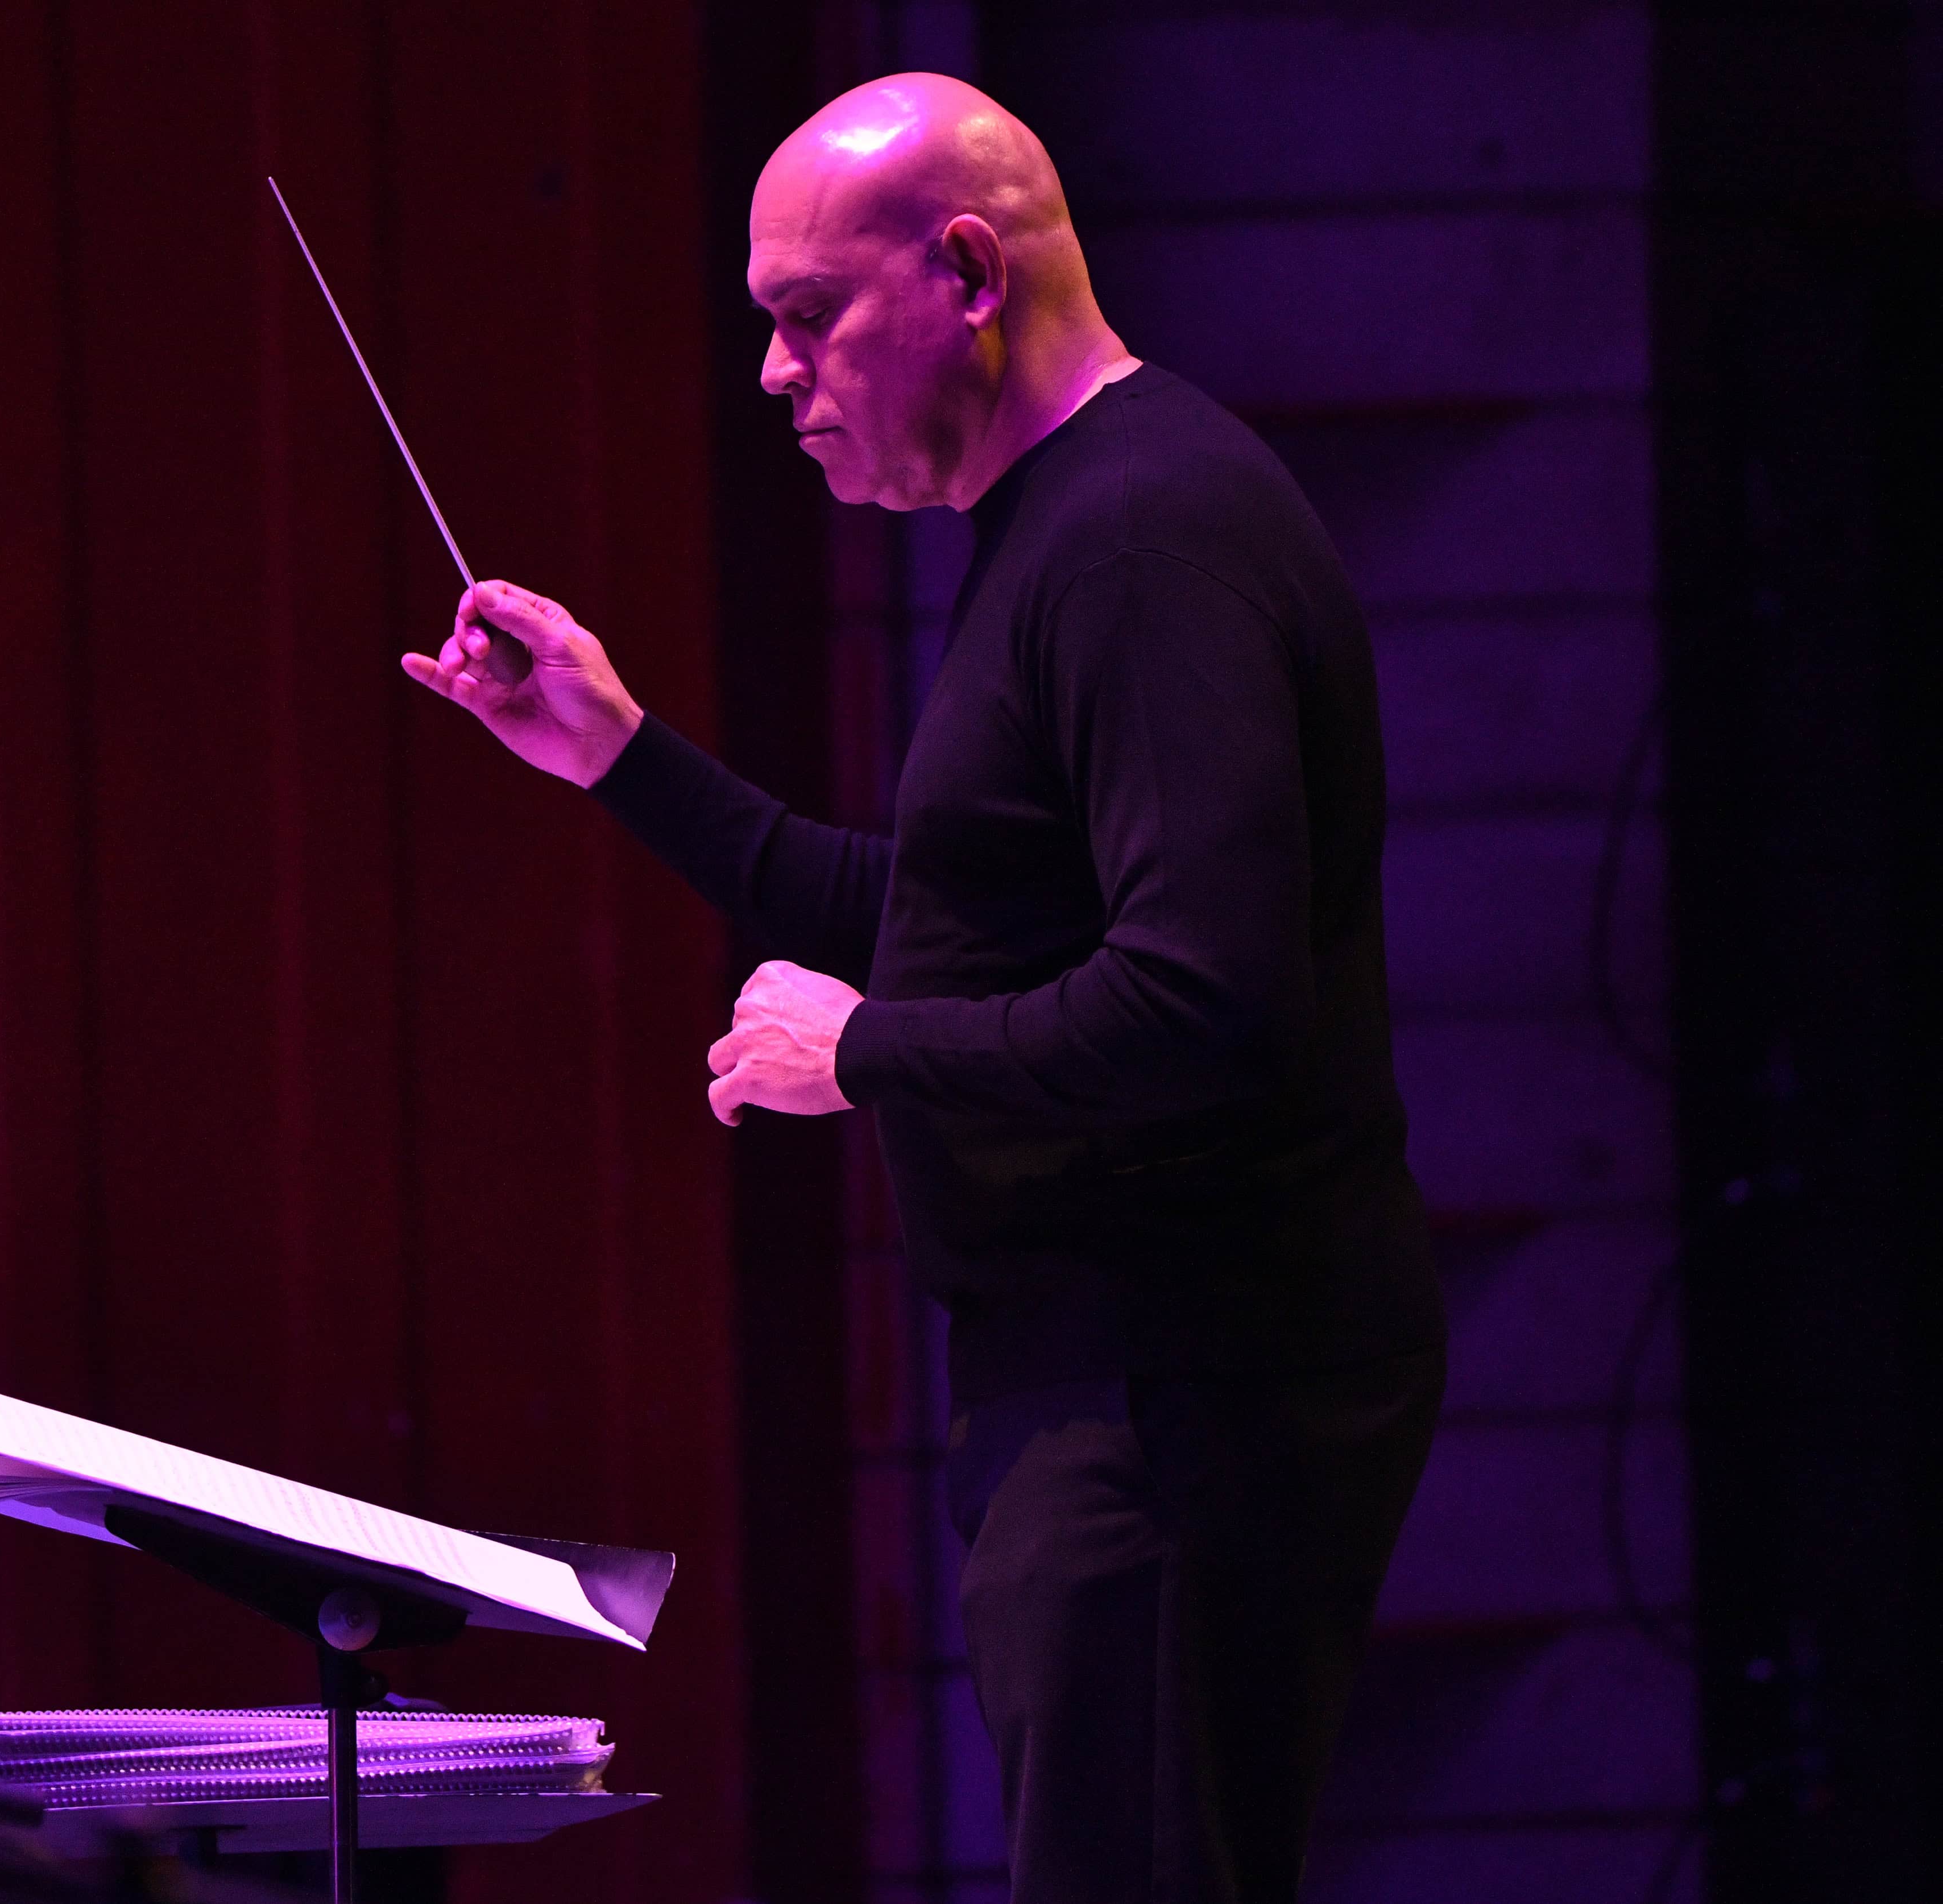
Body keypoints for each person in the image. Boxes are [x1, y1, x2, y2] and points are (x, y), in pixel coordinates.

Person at [403, 71, 1447, 1904]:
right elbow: (971, 916)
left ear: (965, 272)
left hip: (1178, 1390)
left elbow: (1206, 999)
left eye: (808, 318)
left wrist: (867, 1053)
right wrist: (621, 753)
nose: (773, 375)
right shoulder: (1067, 525)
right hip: (1106, 1383)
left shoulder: (1145, 538)